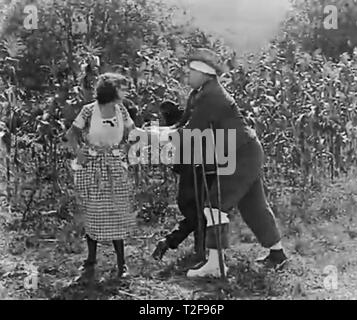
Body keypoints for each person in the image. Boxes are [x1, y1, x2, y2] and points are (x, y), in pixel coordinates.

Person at [152, 48, 288, 278]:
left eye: (190, 72)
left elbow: (191, 132)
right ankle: (278, 255)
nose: (186, 75)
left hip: (240, 154)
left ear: (203, 74)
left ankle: (216, 266)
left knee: (214, 206)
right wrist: (153, 132)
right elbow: (181, 126)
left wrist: (154, 136)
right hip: (243, 151)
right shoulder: (198, 94)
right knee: (254, 207)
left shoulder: (212, 95)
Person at [65, 72, 139, 281]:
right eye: (122, 88)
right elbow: (72, 134)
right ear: (112, 90)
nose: (126, 92)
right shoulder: (89, 111)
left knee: (117, 211)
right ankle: (90, 260)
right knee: (93, 211)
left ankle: (121, 263)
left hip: (114, 165)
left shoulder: (122, 111)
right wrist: (78, 151)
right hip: (92, 165)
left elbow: (133, 132)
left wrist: (126, 148)